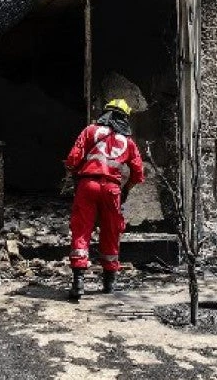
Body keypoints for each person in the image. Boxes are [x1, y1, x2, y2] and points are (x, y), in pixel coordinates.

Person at [63, 98, 144, 300]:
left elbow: (72, 160)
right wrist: (125, 189)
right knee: (111, 231)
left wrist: (74, 174)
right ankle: (109, 283)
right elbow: (138, 174)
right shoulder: (129, 142)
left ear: (105, 113)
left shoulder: (90, 131)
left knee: (81, 230)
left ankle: (78, 282)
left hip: (87, 185)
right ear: (125, 118)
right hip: (112, 190)